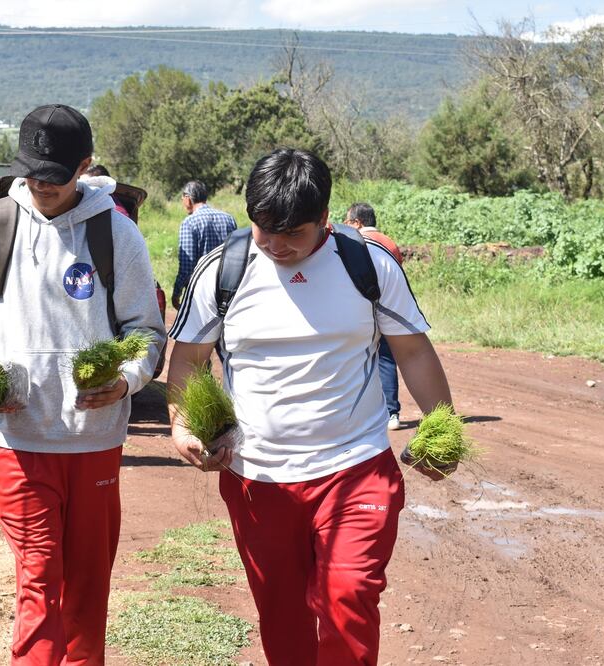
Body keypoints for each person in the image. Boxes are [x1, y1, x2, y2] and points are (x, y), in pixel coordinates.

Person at [167, 148, 455, 665]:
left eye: (293, 233)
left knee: (349, 599)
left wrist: (442, 427)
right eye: (263, 229)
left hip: (355, 466)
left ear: (324, 218)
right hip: (257, 477)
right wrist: (182, 425)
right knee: (282, 615)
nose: (276, 245)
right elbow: (188, 359)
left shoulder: (365, 263)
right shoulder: (223, 270)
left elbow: (411, 349)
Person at [0, 104, 166, 664]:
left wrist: (127, 379)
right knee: (38, 582)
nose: (40, 185)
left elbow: (145, 331)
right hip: (19, 443)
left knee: (88, 590)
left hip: (94, 444)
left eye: (54, 174)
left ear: (84, 167)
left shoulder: (116, 232)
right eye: (31, 173)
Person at [345, 202, 404, 431]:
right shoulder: (390, 242)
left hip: (365, 310)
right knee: (388, 361)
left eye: (348, 221)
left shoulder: (357, 243)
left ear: (357, 222)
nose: (347, 226)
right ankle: (392, 412)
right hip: (393, 309)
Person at [171, 180, 237, 309]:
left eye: (182, 197)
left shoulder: (189, 223)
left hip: (201, 293)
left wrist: (176, 293)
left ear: (188, 198)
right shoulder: (229, 219)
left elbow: (186, 266)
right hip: (226, 290)